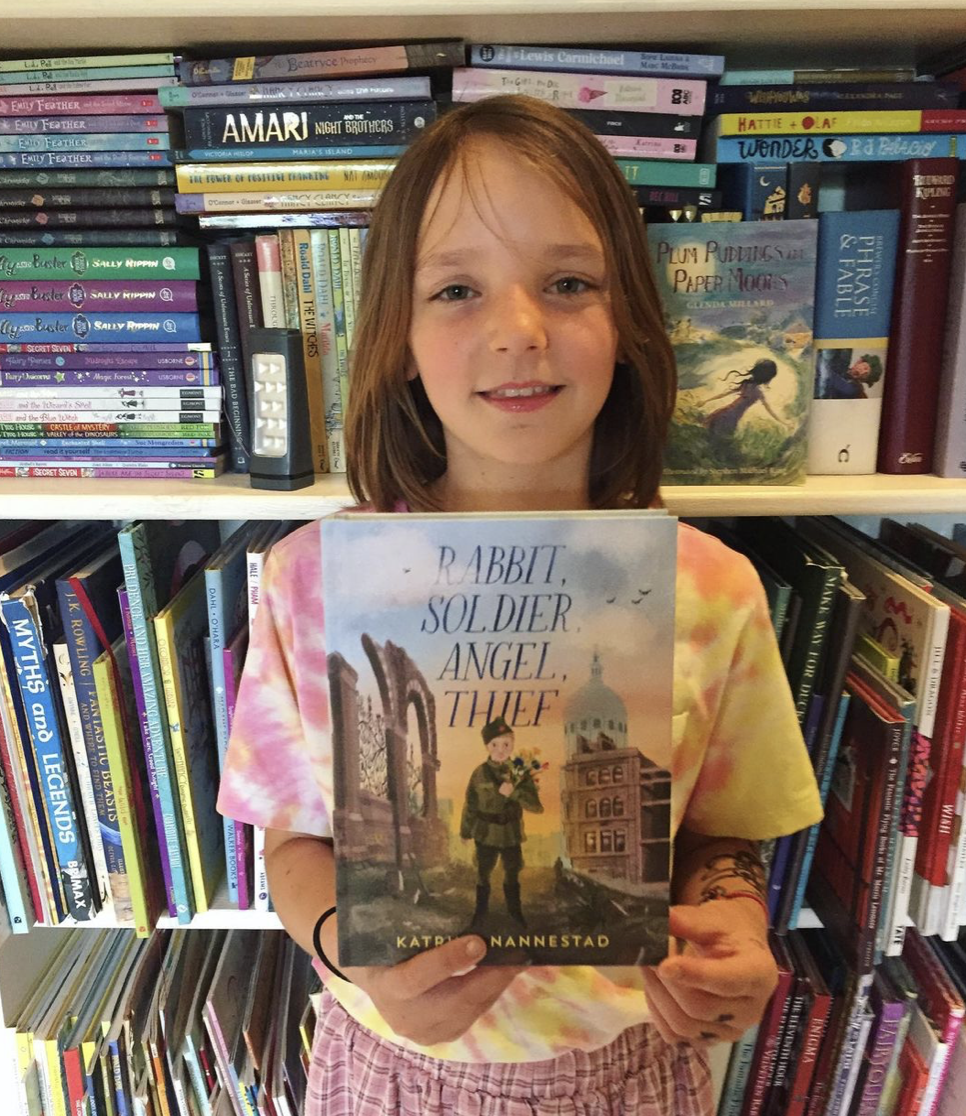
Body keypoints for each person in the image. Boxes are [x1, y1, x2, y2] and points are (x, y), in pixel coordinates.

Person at [217, 93, 823, 1116]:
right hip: (387, 1078)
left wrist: (733, 923)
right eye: (456, 289)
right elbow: (290, 844)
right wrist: (354, 956)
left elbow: (722, 834)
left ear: (627, 319)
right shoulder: (312, 581)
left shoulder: (712, 591)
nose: (520, 329)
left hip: (626, 1076)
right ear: (397, 336)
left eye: (570, 282)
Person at [460, 715, 544, 929]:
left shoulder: (520, 773)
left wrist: (514, 793)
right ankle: (480, 915)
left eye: (506, 744)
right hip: (485, 832)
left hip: (510, 833)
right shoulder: (479, 774)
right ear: (487, 746)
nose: (501, 749)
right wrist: (465, 831)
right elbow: (470, 803)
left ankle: (515, 914)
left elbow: (536, 806)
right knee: (483, 872)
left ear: (512, 745)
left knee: (512, 872)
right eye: (495, 744)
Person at [700, 358, 789, 437]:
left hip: (727, 411)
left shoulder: (747, 384)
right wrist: (784, 422)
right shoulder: (758, 393)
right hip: (732, 416)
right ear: (767, 378)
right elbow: (770, 411)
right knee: (718, 436)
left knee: (711, 432)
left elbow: (726, 393)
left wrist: (706, 400)